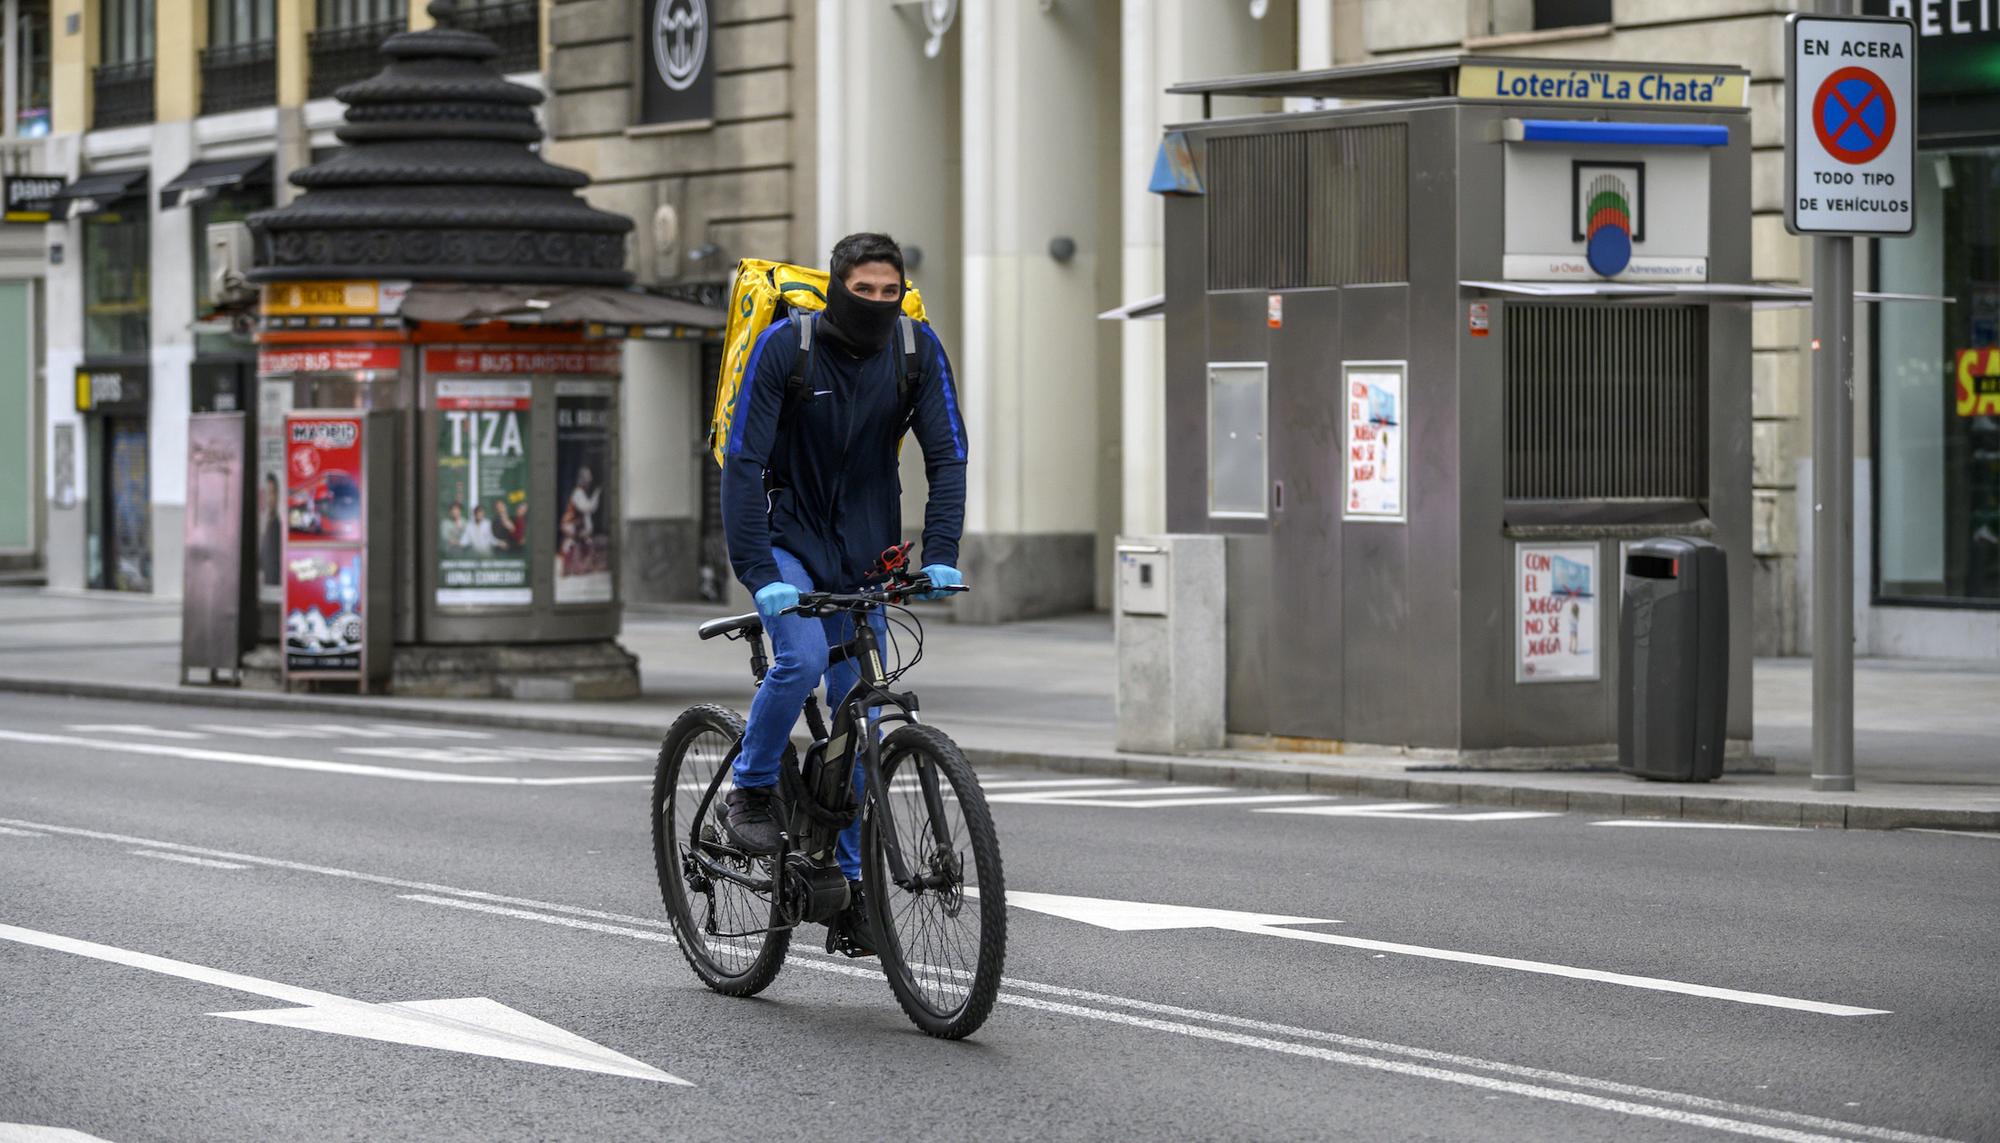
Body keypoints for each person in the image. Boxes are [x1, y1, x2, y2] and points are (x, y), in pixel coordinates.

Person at [720, 232, 967, 956]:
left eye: (890, 293)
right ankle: (752, 787)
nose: (878, 305)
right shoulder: (786, 350)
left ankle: (853, 890)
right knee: (797, 660)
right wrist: (760, 571)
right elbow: (742, 463)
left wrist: (943, 554)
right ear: (836, 288)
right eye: (864, 292)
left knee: (860, 721)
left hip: (866, 555)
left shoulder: (915, 351)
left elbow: (947, 455)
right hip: (791, 543)